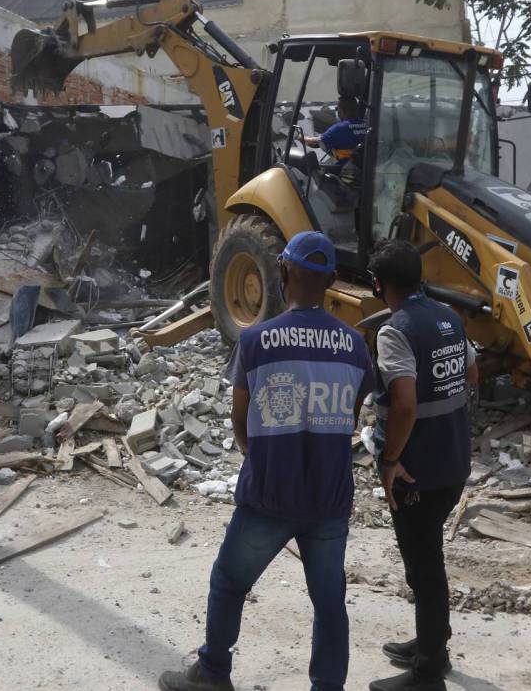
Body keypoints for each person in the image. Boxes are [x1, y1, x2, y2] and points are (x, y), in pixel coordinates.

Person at [158, 231, 374, 691]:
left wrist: (261, 455)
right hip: (329, 498)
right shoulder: (356, 346)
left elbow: (241, 419)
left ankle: (213, 674)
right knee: (329, 601)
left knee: (230, 580)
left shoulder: (257, 340)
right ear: (333, 280)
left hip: (270, 494)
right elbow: (351, 420)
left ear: (283, 273)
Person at [367, 240, 477, 691]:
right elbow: (470, 374)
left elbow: (406, 404)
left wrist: (390, 459)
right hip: (452, 461)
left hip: (416, 471)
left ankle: (430, 670)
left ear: (378, 285)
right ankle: (432, 643)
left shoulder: (395, 331)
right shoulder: (449, 317)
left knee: (425, 566)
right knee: (425, 561)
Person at [305, 97, 368, 166]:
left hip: (346, 170)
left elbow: (315, 141)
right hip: (365, 167)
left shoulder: (339, 129)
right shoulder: (367, 124)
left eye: (337, 109)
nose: (337, 112)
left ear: (342, 111)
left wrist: (301, 137)